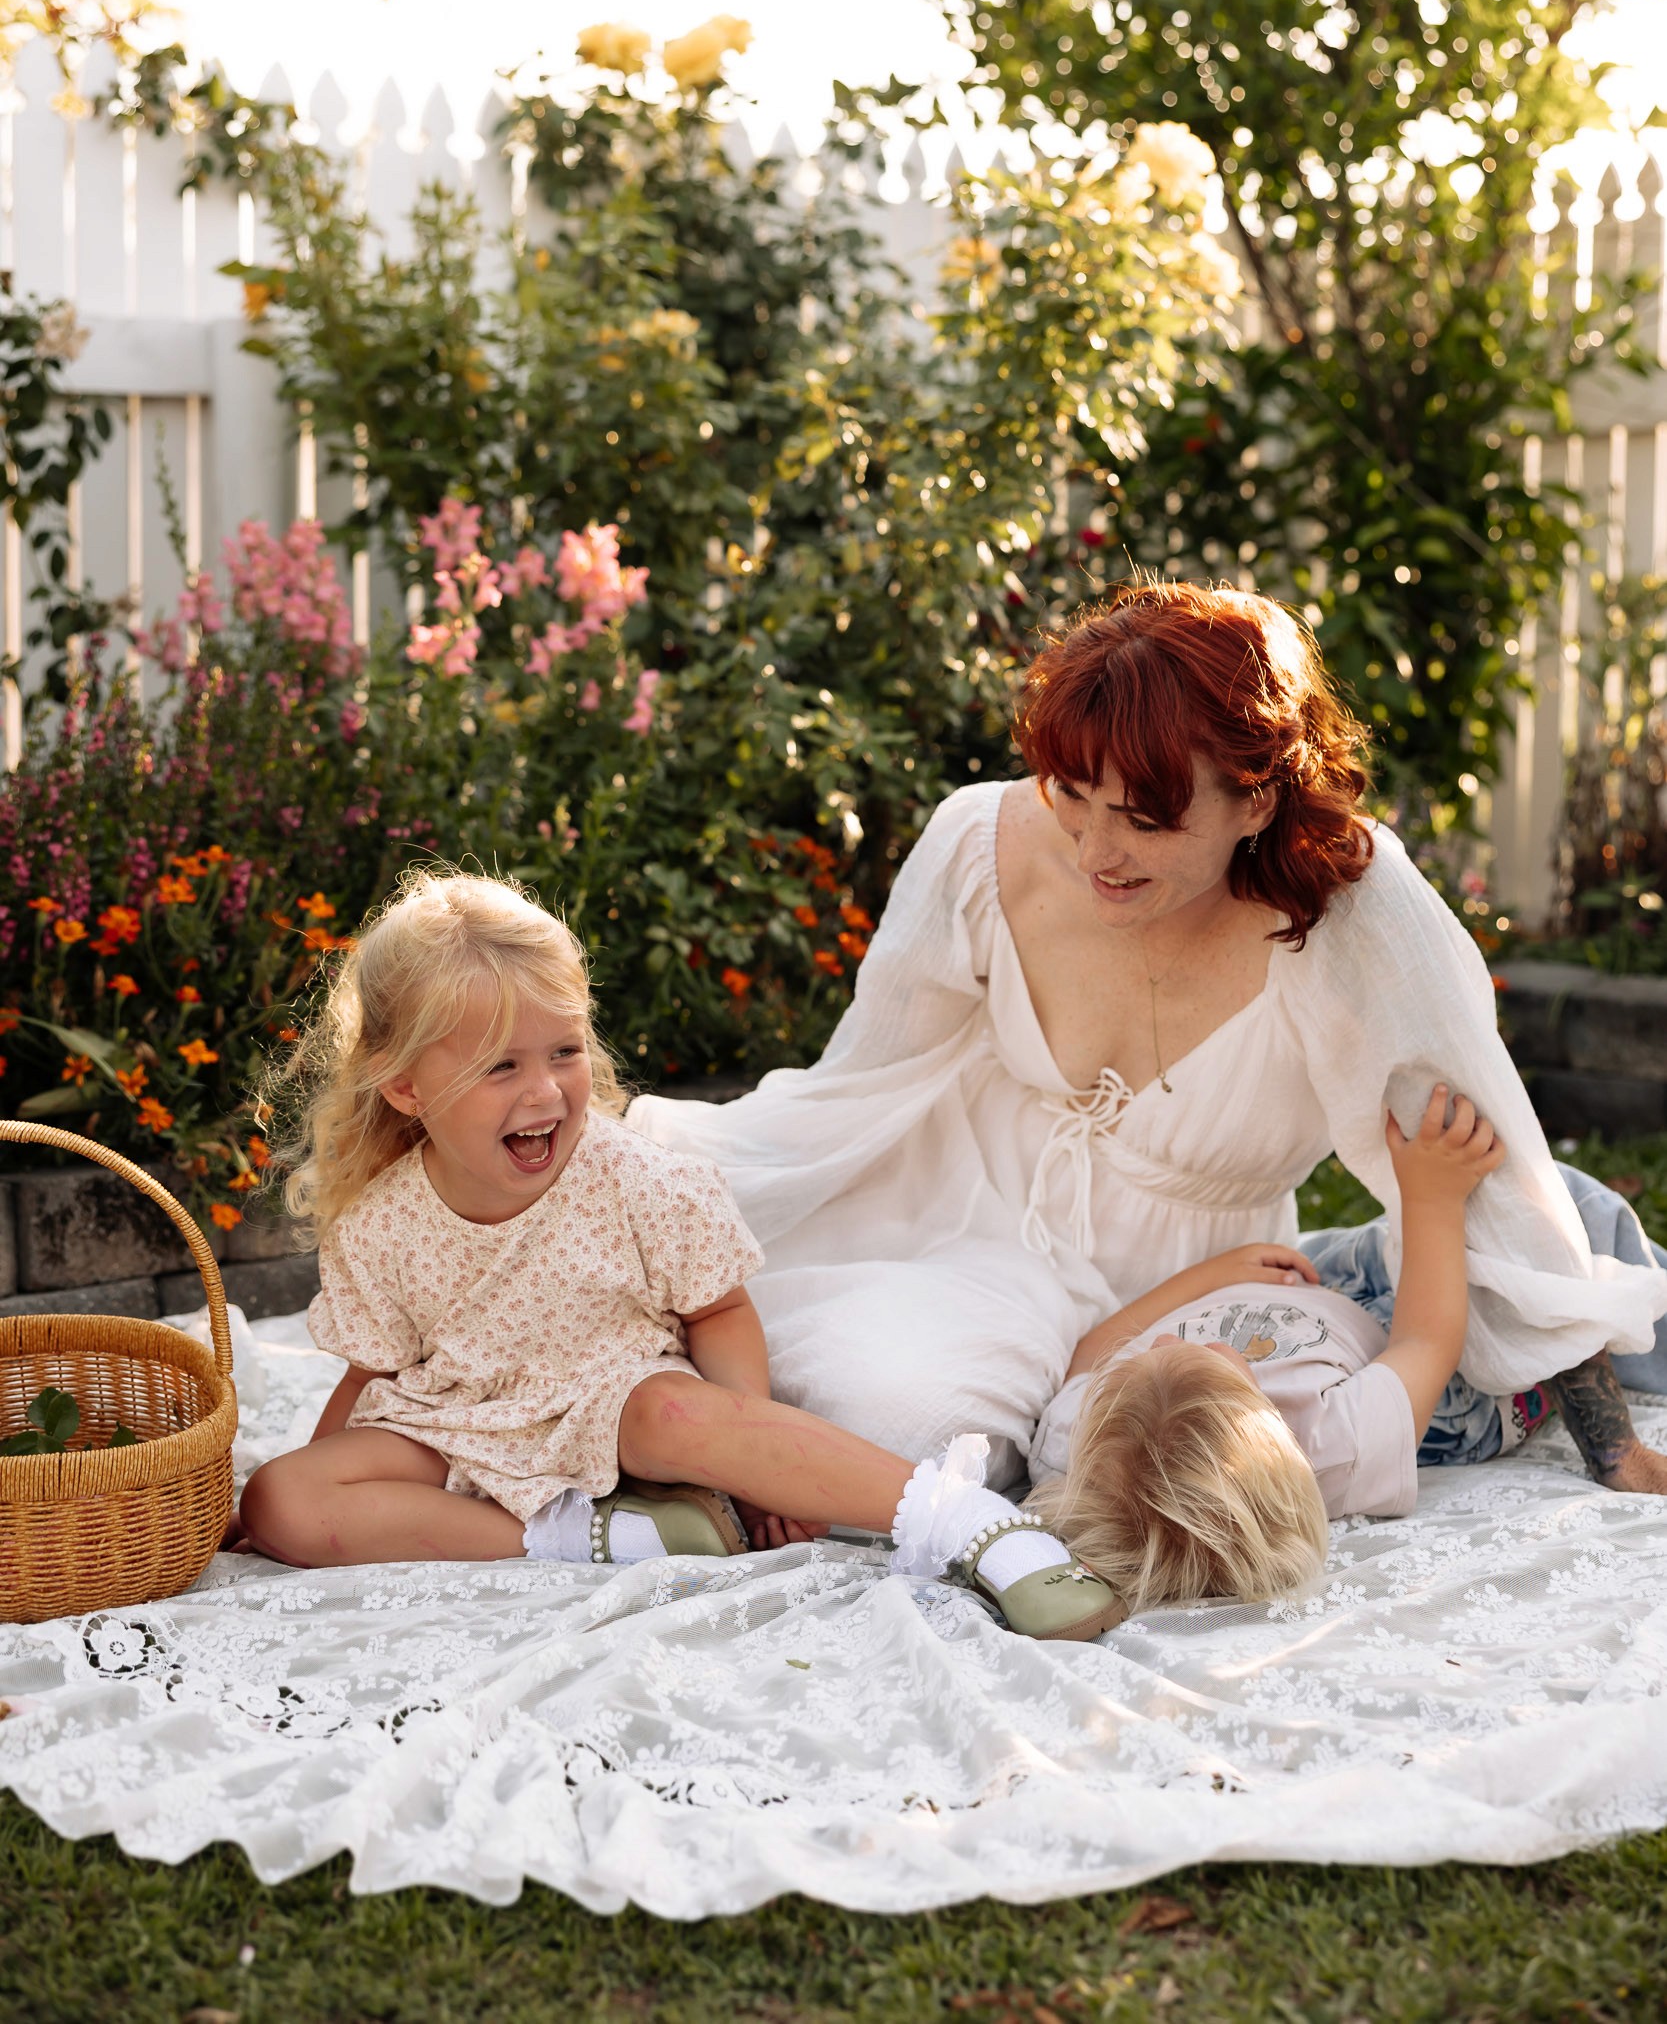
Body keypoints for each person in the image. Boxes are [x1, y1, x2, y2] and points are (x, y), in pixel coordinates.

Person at [630, 581, 1667, 1495]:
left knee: (930, 1436)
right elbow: (853, 1087)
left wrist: (1610, 1447)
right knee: (847, 1398)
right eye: (1071, 797)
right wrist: (644, 1180)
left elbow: (1491, 1165)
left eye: (1142, 819)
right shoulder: (977, 845)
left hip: (1181, 1295)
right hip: (957, 1235)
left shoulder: (1351, 913)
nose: (1092, 852)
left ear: (1255, 796)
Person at [237, 869, 1123, 1644]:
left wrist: (749, 1465)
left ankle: (967, 1523)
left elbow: (718, 1311)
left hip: (615, 1407)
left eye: (565, 1051)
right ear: (405, 1087)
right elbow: (371, 1377)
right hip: (461, 1428)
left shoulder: (632, 1179)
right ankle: (596, 1539)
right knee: (278, 1497)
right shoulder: (381, 1224)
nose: (546, 1090)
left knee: (676, 1415)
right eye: (500, 1068)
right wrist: (322, 1478)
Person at [1024, 1083, 1507, 1612]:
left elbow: (1091, 1352)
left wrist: (1212, 1275)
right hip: (1401, 1345)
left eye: (1144, 1356)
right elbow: (1426, 1341)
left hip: (1310, 1283)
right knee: (1522, 1262)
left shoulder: (1074, 1445)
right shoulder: (1336, 1445)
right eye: (1197, 1352)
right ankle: (1550, 1386)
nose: (1163, 1335)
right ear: (1259, 1412)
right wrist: (1431, 1197)